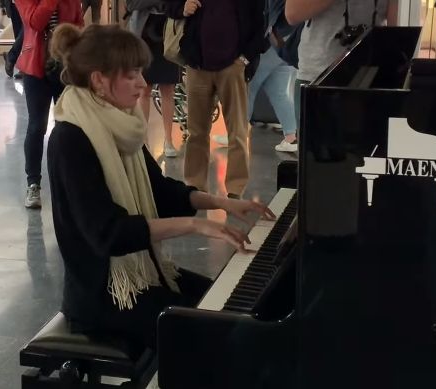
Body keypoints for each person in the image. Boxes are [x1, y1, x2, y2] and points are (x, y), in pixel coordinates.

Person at [46, 23, 276, 350]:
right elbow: (109, 234)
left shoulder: (118, 124)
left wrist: (222, 203)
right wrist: (195, 225)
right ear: (98, 80)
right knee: (217, 333)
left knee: (231, 307)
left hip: (141, 276)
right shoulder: (70, 139)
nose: (142, 85)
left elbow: (160, 192)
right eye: (132, 75)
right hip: (105, 295)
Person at [163, 0, 269, 199]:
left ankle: (236, 189)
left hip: (233, 66)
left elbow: (261, 24)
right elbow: (169, 6)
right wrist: (182, 8)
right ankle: (195, 186)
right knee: (196, 131)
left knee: (236, 131)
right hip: (197, 64)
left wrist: (245, 58)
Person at [15, 0, 83, 209]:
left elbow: (77, 24)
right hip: (36, 68)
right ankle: (33, 183)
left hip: (64, 67)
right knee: (37, 126)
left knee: (69, 126)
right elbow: (35, 21)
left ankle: (70, 182)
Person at [285, 0, 398, 125]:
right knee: (317, 142)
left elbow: (397, 23)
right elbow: (292, 13)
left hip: (372, 76)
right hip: (319, 76)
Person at [127, 2, 180, 157]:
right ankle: (143, 140)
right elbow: (131, 4)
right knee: (144, 89)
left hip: (169, 30)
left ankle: (169, 140)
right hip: (144, 32)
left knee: (168, 89)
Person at [3, 0, 24, 79]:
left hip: (25, 4)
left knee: (25, 31)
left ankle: (12, 57)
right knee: (21, 33)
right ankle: (22, 67)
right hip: (15, 4)